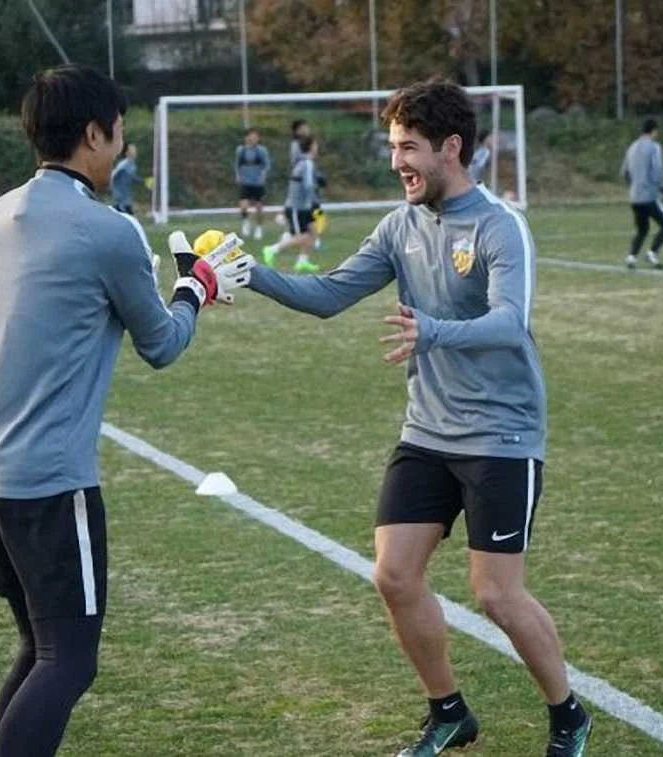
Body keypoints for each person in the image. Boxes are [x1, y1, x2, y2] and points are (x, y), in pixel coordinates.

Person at [240, 78, 592, 757]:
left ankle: (567, 714)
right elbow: (328, 295)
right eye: (394, 146)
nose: (396, 161)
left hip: (501, 434)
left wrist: (432, 331)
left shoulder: (499, 225)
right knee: (394, 575)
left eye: (408, 147)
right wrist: (247, 272)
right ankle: (449, 711)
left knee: (497, 595)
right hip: (427, 431)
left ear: (450, 148)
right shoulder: (398, 226)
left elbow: (509, 323)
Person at [0, 64, 245, 757]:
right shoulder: (109, 231)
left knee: (39, 646)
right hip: (50, 482)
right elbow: (163, 344)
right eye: (118, 131)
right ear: (94, 134)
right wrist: (196, 287)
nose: (120, 145)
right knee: (69, 660)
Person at [261, 135, 321, 272]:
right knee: (303, 236)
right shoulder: (307, 163)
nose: (317, 148)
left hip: (304, 206)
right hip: (298, 208)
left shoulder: (303, 162)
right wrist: (315, 198)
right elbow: (308, 185)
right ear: (311, 147)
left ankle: (302, 261)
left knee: (313, 231)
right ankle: (272, 249)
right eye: (315, 145)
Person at [621, 118, 663, 270]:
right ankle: (652, 253)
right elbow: (657, 169)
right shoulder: (654, 147)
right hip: (649, 195)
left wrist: (633, 187)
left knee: (642, 229)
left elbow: (624, 172)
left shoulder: (632, 147)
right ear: (654, 131)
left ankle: (631, 257)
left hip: (634, 197)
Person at [235, 127, 271, 239]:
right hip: (245, 181)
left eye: (255, 137)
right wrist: (238, 175)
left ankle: (259, 228)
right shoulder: (241, 150)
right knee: (243, 204)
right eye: (251, 136)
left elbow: (266, 165)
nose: (253, 139)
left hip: (257, 182)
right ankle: (246, 224)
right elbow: (237, 164)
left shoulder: (262, 151)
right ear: (246, 138)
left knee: (258, 206)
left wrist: (263, 176)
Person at [110, 142, 139, 214]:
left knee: (128, 212)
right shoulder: (124, 163)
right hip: (119, 193)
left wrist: (143, 181)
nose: (134, 152)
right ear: (127, 153)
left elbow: (132, 177)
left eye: (135, 150)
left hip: (126, 194)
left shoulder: (133, 165)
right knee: (123, 212)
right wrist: (110, 186)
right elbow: (113, 174)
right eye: (131, 150)